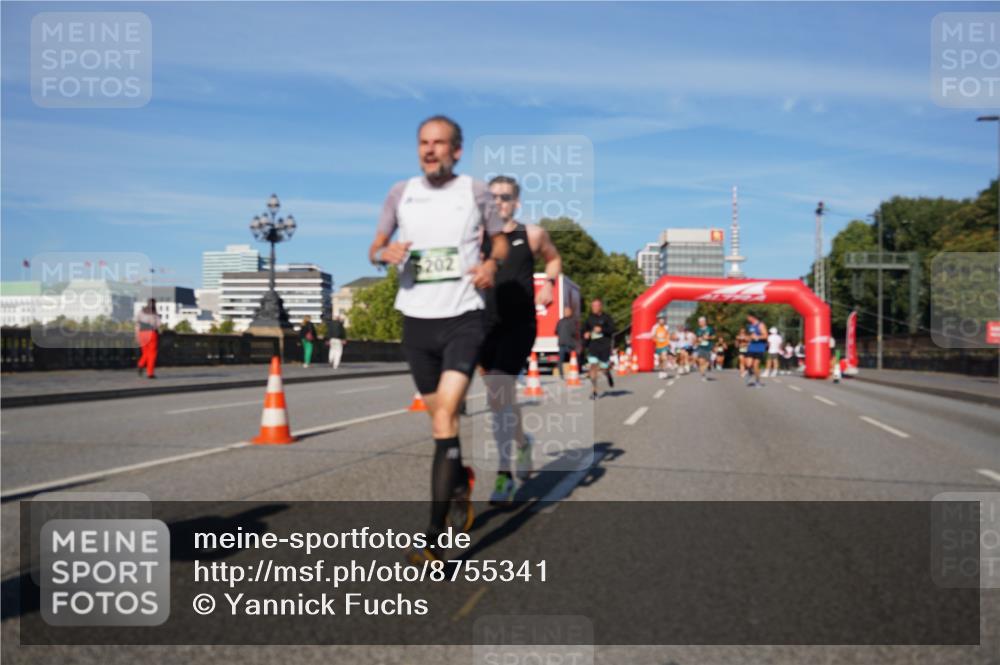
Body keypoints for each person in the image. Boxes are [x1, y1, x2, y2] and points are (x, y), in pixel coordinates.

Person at [368, 115, 508, 563]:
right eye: (423, 143)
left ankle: (433, 539)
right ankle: (460, 483)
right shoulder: (399, 193)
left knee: (445, 415)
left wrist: (491, 266)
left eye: (439, 143)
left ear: (457, 150)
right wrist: (382, 252)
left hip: (464, 316)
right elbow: (376, 244)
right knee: (439, 423)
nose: (430, 150)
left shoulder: (475, 191)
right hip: (416, 321)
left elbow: (501, 241)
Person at [479, 175, 562, 507]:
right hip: (485, 324)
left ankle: (504, 475)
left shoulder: (533, 234)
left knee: (500, 389)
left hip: (519, 324)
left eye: (505, 197)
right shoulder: (479, 238)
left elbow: (553, 259)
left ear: (517, 202)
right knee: (499, 398)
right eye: (493, 197)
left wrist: (548, 284)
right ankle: (523, 442)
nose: (499, 202)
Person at [583, 298, 615, 399]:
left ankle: (607, 373)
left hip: (604, 346)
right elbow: (584, 330)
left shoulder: (607, 318)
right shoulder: (589, 318)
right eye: (593, 306)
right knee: (593, 366)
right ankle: (594, 390)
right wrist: (586, 334)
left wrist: (602, 329)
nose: (594, 308)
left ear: (600, 306)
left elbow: (613, 329)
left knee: (603, 367)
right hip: (593, 346)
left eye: (596, 306)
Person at [135, 298, 161, 379]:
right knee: (152, 354)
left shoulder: (141, 312)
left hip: (141, 333)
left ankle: (140, 364)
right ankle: (150, 373)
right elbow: (157, 325)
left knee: (145, 352)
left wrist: (136, 336)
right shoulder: (154, 313)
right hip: (151, 333)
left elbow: (137, 324)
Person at [745, 314, 768, 387]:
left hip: (759, 348)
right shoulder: (749, 326)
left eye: (748, 317)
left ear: (753, 317)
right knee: (748, 364)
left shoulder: (760, 325)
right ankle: (750, 373)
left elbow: (765, 336)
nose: (747, 319)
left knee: (755, 365)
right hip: (751, 347)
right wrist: (747, 338)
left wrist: (757, 337)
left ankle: (757, 381)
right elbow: (750, 336)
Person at [556, 305, 578, 378]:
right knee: (561, 360)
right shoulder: (560, 321)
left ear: (571, 312)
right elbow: (556, 331)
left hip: (570, 344)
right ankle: (561, 374)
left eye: (568, 311)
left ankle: (573, 373)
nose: (566, 313)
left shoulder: (573, 321)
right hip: (562, 343)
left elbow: (574, 332)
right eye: (565, 311)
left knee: (572, 360)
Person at [694, 315, 715, 381]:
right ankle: (703, 375)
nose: (699, 323)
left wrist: (708, 338)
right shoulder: (698, 330)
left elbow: (714, 337)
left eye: (701, 322)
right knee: (700, 362)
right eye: (699, 322)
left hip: (708, 347)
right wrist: (698, 340)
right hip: (701, 347)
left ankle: (706, 369)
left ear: (704, 322)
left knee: (707, 362)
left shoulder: (710, 329)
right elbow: (696, 338)